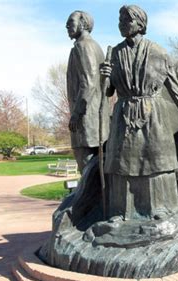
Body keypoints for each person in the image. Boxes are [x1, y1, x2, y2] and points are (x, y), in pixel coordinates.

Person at [100, 5, 178, 220]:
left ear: (140, 24)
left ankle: (159, 208)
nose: (121, 24)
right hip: (124, 113)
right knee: (123, 162)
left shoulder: (158, 52)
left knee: (154, 161)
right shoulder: (115, 53)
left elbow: (174, 88)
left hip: (152, 114)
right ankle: (122, 212)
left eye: (126, 20)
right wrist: (105, 76)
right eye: (119, 20)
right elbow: (108, 91)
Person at [66, 11, 109, 173]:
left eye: (71, 22)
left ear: (83, 23)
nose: (67, 26)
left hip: (87, 121)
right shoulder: (95, 46)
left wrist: (76, 114)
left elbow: (89, 84)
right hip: (95, 119)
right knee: (94, 170)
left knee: (87, 170)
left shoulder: (83, 47)